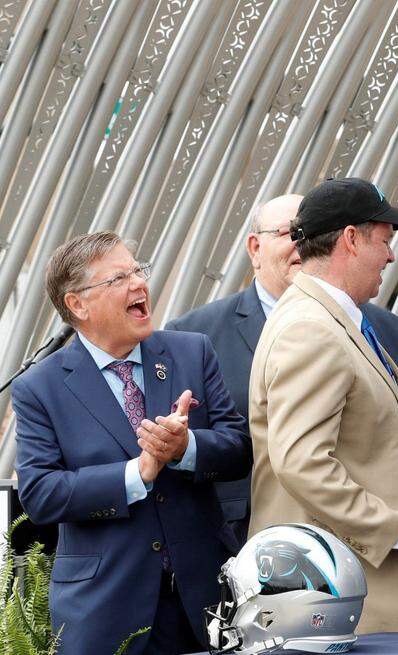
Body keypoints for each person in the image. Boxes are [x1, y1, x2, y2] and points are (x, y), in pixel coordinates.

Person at [14, 231, 252, 654]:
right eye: (118, 278)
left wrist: (185, 449)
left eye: (138, 270)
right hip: (107, 611)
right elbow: (40, 494)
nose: (139, 283)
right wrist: (135, 473)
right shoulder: (40, 387)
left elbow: (239, 449)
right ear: (77, 303)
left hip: (207, 602)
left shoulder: (191, 352)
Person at [247, 178, 398, 633]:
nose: (391, 257)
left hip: (342, 598)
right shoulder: (311, 329)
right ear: (351, 239)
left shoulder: (326, 320)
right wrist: (396, 526)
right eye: (385, 241)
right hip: (337, 602)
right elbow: (302, 463)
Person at [166, 193, 398, 542]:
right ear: (255, 248)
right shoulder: (193, 335)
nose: (302, 243)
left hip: (368, 549)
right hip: (237, 542)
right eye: (289, 233)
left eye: (310, 232)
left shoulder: (388, 331)